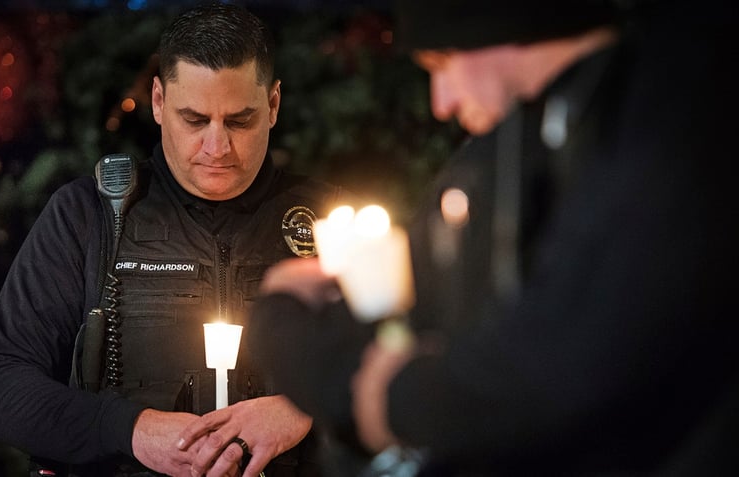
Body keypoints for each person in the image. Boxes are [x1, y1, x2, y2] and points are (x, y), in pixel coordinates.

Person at [238, 0, 739, 474]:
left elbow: (555, 365)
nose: (441, 102)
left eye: (442, 64)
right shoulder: (532, 137)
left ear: (493, 31)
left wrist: (371, 392)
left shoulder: (668, 120)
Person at [0, 4, 353, 477]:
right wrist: (131, 430)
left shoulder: (334, 222)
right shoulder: (88, 215)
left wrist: (303, 410)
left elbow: (418, 369)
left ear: (273, 105)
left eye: (239, 120)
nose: (217, 147)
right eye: (194, 120)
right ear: (157, 101)